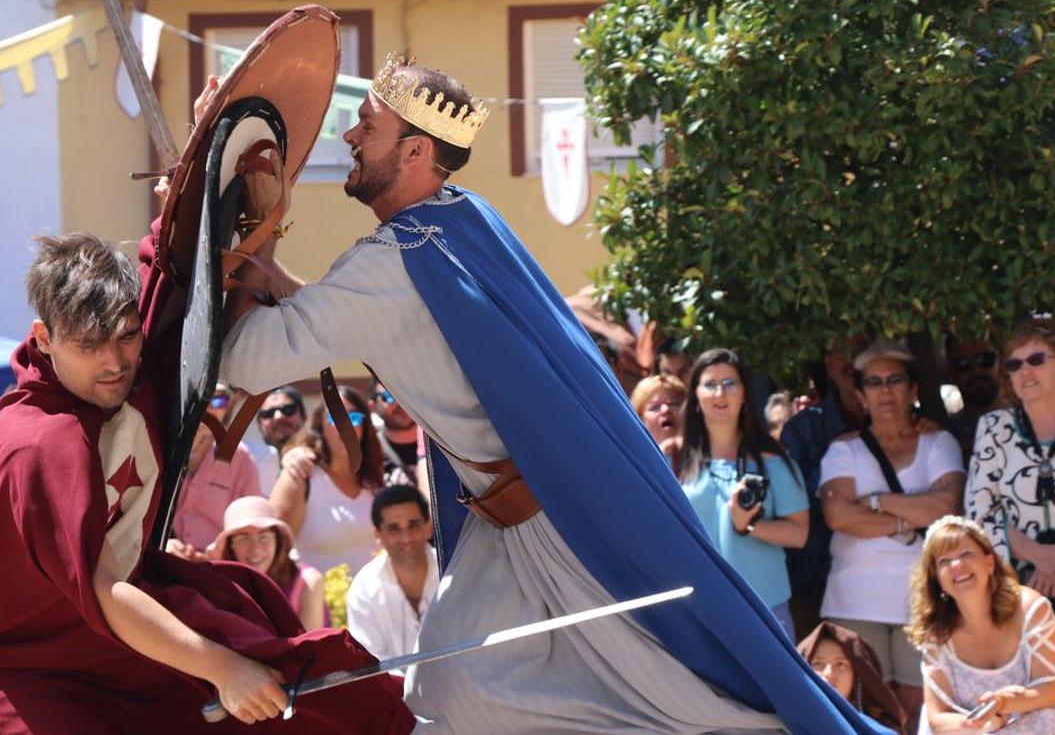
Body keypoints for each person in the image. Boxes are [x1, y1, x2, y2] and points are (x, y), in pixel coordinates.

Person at [219, 53, 877, 731]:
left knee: (694, 698)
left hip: (558, 530)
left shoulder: (391, 264)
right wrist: (268, 268)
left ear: (414, 149)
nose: (350, 138)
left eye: (365, 124)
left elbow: (246, 356)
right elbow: (362, 315)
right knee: (452, 690)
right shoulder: (464, 219)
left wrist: (235, 239)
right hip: (523, 518)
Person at [0, 230, 411, 732]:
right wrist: (222, 669)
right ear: (43, 338)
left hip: (121, 645)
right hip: (28, 668)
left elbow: (183, 259)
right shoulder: (36, 443)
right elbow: (103, 588)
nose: (113, 362)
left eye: (125, 336)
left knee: (311, 704)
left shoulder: (135, 365)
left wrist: (242, 215)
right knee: (244, 684)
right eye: (87, 346)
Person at [819, 339, 965, 718]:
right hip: (854, 598)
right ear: (861, 394)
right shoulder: (843, 449)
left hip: (923, 597)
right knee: (865, 705)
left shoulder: (938, 441)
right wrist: (910, 515)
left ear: (913, 389)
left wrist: (871, 501)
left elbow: (944, 507)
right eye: (874, 382)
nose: (884, 390)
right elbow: (837, 516)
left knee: (920, 705)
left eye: (895, 380)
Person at [676, 349, 809, 639]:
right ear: (696, 395)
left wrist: (749, 525)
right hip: (700, 610)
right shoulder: (675, 459)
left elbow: (799, 534)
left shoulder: (775, 460)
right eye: (710, 384)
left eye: (730, 383)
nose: (720, 392)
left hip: (766, 610)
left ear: (745, 394)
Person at [909, 515, 1055, 733]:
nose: (957, 565)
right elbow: (936, 717)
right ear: (937, 579)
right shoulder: (937, 633)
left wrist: (1003, 704)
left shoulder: (1030, 608)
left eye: (966, 554)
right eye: (944, 561)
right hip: (974, 732)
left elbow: (1049, 692)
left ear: (989, 563)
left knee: (1048, 720)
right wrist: (981, 724)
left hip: (1034, 727)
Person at [965, 319, 1055, 639]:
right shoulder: (993, 428)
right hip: (1024, 588)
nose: (1025, 371)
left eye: (1037, 360)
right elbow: (980, 510)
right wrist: (1038, 555)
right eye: (1015, 364)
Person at [781, 335, 872, 637]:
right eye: (838, 351)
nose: (849, 359)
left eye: (858, 348)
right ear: (825, 361)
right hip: (813, 579)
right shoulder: (801, 428)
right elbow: (794, 504)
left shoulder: (913, 426)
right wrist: (839, 456)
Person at [270, 387, 384, 576]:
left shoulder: (376, 480)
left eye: (354, 418)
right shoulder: (300, 475)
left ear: (365, 426)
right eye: (335, 418)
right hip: (317, 603)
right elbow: (273, 551)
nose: (345, 426)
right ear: (320, 425)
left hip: (375, 603)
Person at [346, 485, 438, 669]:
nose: (406, 538)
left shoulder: (453, 571)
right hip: (396, 696)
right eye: (394, 528)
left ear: (428, 527)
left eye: (414, 525)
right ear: (378, 535)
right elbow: (371, 664)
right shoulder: (364, 588)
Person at [210, 496, 325, 631]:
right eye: (244, 539)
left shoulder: (308, 582)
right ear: (230, 546)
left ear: (278, 541)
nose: (255, 549)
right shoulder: (221, 585)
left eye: (264, 537)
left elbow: (308, 649)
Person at [167, 416, 261, 562]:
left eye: (220, 399)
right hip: (164, 554)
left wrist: (211, 557)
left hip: (217, 565)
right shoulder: (163, 445)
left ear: (233, 400)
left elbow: (251, 526)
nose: (209, 405)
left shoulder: (241, 459)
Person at [797, 622, 909, 734]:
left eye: (840, 664)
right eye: (818, 663)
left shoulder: (883, 730)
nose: (829, 673)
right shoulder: (785, 723)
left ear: (858, 676)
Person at [944, 334, 1003, 458]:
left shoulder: (1030, 419)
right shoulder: (945, 436)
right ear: (949, 371)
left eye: (985, 360)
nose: (976, 371)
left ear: (1001, 362)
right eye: (962, 364)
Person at [370, 379, 426, 489]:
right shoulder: (369, 452)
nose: (399, 402)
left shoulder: (439, 446)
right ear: (373, 407)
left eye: (403, 394)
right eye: (389, 396)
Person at [250, 386, 306, 495]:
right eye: (268, 413)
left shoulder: (323, 460)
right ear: (259, 425)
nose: (278, 416)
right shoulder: (248, 466)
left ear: (304, 416)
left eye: (288, 410)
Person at [629, 373, 686, 471]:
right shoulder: (634, 463)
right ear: (640, 419)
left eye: (673, 403)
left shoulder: (706, 454)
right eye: (655, 407)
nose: (665, 409)